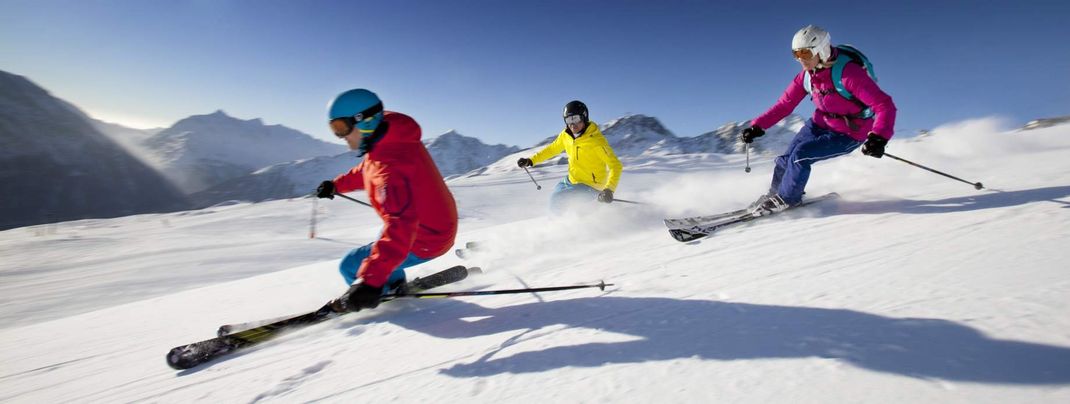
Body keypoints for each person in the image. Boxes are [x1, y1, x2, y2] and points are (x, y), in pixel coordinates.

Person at [315, 89, 458, 312]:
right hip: (432, 227)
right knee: (378, 248)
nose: (340, 136)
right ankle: (393, 283)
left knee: (350, 265)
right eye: (334, 128)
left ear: (364, 122)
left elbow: (401, 226)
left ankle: (385, 292)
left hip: (425, 238)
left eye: (341, 127)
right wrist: (337, 185)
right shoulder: (388, 136)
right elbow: (368, 169)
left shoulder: (391, 171)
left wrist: (370, 281)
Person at [741, 25, 896, 214]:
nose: (800, 60)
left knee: (800, 156)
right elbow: (785, 104)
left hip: (850, 132)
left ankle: (788, 199)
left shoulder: (848, 74)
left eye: (805, 53)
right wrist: (757, 126)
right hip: (819, 123)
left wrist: (879, 137)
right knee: (785, 160)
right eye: (796, 54)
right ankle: (775, 194)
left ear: (820, 50)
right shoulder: (806, 76)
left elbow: (884, 105)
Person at [517, 100, 623, 212]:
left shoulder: (596, 142)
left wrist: (609, 189)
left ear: (584, 117)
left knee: (557, 199)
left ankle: (561, 226)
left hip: (591, 185)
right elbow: (552, 149)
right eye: (568, 120)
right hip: (572, 180)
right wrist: (530, 161)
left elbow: (615, 166)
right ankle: (570, 219)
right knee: (557, 193)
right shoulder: (566, 135)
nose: (572, 124)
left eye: (575, 119)